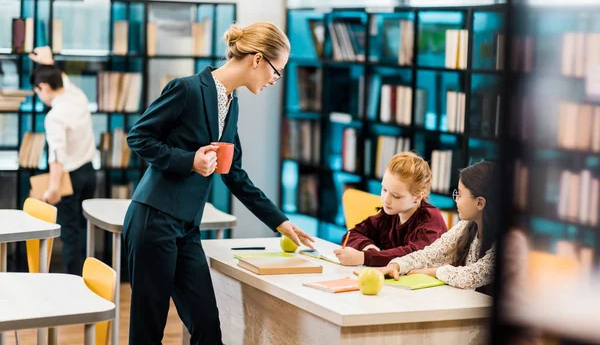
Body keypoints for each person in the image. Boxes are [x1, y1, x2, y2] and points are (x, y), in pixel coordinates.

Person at [123, 22, 315, 345]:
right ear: (256, 59)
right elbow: (138, 137)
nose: (274, 80)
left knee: (208, 326)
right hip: (153, 221)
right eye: (276, 71)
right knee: (147, 334)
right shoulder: (186, 90)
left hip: (186, 229)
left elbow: (234, 174)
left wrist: (280, 222)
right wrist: (190, 161)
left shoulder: (231, 104)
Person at [377, 160, 499, 293]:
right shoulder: (466, 226)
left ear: (480, 203)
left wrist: (433, 272)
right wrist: (397, 265)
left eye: (459, 194)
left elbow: (474, 274)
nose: (456, 199)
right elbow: (430, 254)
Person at [29, 47, 97, 275]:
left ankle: (74, 283)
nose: (39, 96)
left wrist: (53, 188)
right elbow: (63, 80)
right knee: (84, 229)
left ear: (44, 87)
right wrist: (49, 64)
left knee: (70, 235)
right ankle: (88, 278)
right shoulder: (77, 96)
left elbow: (57, 155)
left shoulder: (54, 117)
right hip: (89, 172)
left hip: (69, 179)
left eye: (38, 91)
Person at [334, 151, 447, 267]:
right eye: (384, 189)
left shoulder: (431, 220)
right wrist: (368, 247)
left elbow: (412, 256)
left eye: (396, 196)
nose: (386, 200)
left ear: (417, 197)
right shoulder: (390, 214)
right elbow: (352, 234)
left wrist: (365, 257)